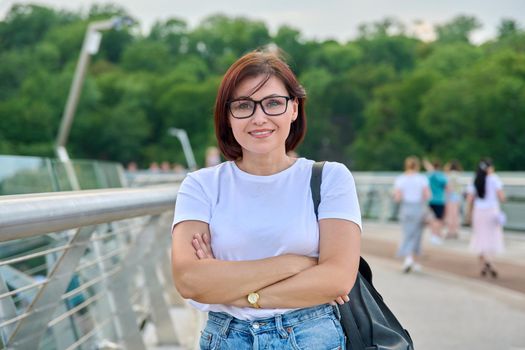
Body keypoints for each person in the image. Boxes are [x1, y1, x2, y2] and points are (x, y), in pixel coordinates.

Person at [171, 49, 362, 349]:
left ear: (294, 109)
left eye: (273, 103)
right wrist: (296, 264)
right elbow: (189, 281)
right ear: (228, 116)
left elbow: (337, 279)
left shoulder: (330, 179)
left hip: (310, 337)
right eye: (244, 106)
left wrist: (231, 291)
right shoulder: (201, 185)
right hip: (227, 338)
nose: (259, 118)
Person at [466, 158, 505, 278]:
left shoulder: (475, 180)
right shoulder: (494, 179)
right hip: (492, 211)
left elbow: (470, 199)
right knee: (492, 237)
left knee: (480, 237)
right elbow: (501, 196)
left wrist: (468, 214)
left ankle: (484, 263)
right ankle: (490, 261)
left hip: (479, 211)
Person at [394, 156, 430, 273]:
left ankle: (408, 259)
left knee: (407, 233)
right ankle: (411, 260)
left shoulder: (401, 179)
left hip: (406, 207)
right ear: (417, 166)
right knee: (416, 235)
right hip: (418, 207)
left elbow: (398, 197)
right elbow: (427, 195)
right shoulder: (422, 178)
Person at [423, 158, 448, 245]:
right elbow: (447, 187)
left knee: (432, 219)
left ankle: (433, 236)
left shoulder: (428, 176)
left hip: (430, 200)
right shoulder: (441, 176)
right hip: (439, 200)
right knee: (438, 220)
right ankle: (436, 235)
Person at [444, 159, 463, 239]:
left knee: (450, 215)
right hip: (457, 197)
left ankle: (450, 231)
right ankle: (456, 231)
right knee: (456, 215)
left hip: (450, 196)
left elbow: (447, 187)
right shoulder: (458, 175)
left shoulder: (449, 176)